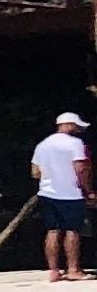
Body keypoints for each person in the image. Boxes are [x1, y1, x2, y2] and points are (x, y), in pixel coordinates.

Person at [43, 112, 92, 282]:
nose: (78, 130)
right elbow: (80, 168)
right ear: (69, 124)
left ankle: (54, 270)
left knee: (53, 230)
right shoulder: (75, 143)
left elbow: (35, 170)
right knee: (72, 230)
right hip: (70, 193)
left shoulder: (44, 144)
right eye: (76, 126)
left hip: (47, 192)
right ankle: (73, 269)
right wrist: (88, 190)